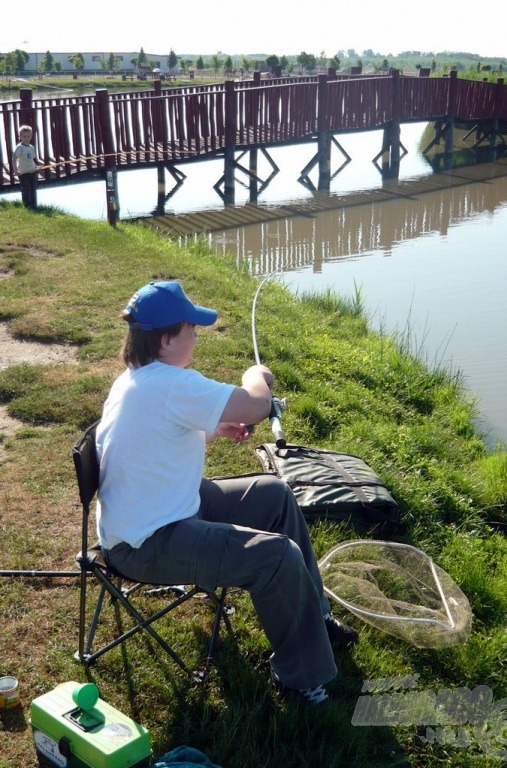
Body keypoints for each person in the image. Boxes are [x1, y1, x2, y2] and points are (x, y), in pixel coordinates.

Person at [95, 280, 358, 704]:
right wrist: (258, 379)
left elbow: (163, 436)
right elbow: (254, 404)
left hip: (165, 510)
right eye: (190, 329)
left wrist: (214, 426)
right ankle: (301, 679)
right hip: (147, 544)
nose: (196, 336)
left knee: (274, 494)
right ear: (165, 339)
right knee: (276, 556)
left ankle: (317, 620)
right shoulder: (170, 384)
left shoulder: (138, 380)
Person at [13, 124, 41, 209]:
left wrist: (36, 167)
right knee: (26, 190)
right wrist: (16, 171)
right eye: (24, 136)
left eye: (28, 136)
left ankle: (34, 205)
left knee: (33, 189)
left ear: (31, 136)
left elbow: (31, 160)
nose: (26, 138)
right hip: (23, 173)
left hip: (32, 172)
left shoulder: (31, 147)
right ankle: (28, 206)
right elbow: (14, 159)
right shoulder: (19, 148)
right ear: (20, 136)